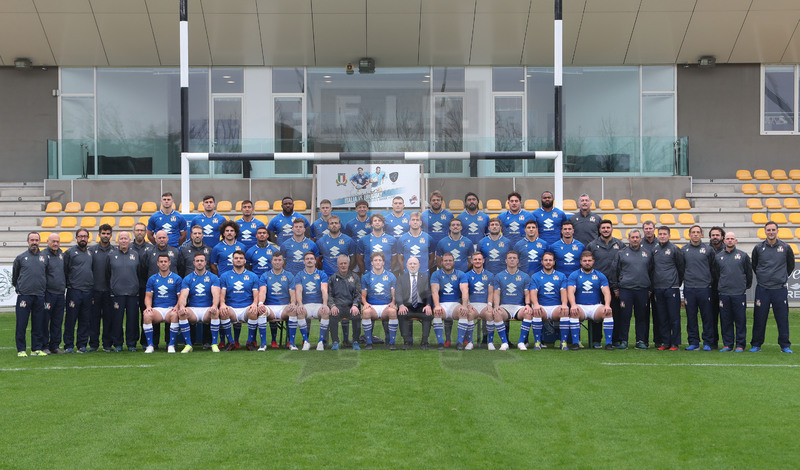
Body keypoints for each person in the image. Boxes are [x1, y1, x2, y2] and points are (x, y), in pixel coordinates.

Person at [750, 221, 795, 353]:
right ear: (765, 231)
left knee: (782, 318)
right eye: (768, 230)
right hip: (762, 289)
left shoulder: (785, 248)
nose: (771, 232)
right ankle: (756, 344)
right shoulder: (758, 248)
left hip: (779, 289)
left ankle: (785, 345)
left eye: (773, 230)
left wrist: (780, 277)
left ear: (777, 231)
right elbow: (755, 265)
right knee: (759, 318)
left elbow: (790, 266)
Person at [610, 229, 653, 350]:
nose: (635, 239)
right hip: (626, 290)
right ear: (628, 239)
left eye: (637, 237)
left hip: (642, 290)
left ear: (640, 238)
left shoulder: (647, 253)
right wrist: (616, 288)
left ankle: (641, 340)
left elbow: (652, 271)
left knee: (642, 317)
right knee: (625, 316)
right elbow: (615, 271)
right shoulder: (621, 253)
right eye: (632, 237)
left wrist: (650, 288)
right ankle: (623, 340)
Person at [712, 232, 752, 352]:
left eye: (732, 239)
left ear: (736, 241)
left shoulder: (743, 255)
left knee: (740, 320)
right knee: (726, 320)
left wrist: (744, 286)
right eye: (728, 239)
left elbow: (748, 274)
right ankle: (728, 344)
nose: (730, 241)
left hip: (738, 293)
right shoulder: (718, 257)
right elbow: (716, 274)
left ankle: (740, 344)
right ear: (724, 241)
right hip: (724, 293)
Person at [587, 219, 624, 348]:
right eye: (603, 228)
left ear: (612, 229)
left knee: (615, 313)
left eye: (608, 227)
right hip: (597, 285)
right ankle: (596, 340)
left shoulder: (620, 244)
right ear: (599, 230)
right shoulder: (592, 245)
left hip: (614, 286)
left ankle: (615, 340)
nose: (605, 230)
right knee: (597, 312)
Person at [568, 250, 614, 350]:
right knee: (574, 312)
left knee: (608, 312)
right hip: (580, 306)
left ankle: (608, 343)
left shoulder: (600, 275)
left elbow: (606, 292)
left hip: (595, 307)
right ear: (580, 262)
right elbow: (571, 291)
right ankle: (575, 343)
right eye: (585, 261)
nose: (587, 263)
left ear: (593, 261)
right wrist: (573, 305)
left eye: (589, 260)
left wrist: (607, 305)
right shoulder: (574, 275)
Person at [177, 252, 222, 352]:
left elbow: (216, 294)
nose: (199, 263)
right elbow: (183, 295)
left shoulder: (213, 277)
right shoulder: (188, 278)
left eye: (202, 261)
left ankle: (214, 344)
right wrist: (182, 306)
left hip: (207, 309)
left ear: (205, 262)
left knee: (216, 312)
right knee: (183, 313)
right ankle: (188, 345)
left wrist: (214, 306)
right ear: (193, 263)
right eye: (197, 261)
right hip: (193, 310)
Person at [488, 250, 532, 351]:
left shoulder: (524, 276)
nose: (512, 260)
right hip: (505, 306)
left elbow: (527, 293)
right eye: (510, 258)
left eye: (514, 258)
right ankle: (504, 343)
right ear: (506, 261)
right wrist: (497, 305)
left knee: (528, 313)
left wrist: (528, 305)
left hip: (519, 307)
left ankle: (521, 342)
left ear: (518, 261)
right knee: (497, 313)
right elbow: (497, 293)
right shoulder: (499, 276)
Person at [12, 232, 48, 357]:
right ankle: (21, 349)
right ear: (28, 241)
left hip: (39, 295)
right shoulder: (21, 257)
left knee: (38, 324)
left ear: (39, 241)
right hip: (24, 296)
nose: (34, 242)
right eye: (32, 240)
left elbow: (46, 274)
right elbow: (15, 276)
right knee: (22, 324)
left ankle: (36, 349)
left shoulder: (44, 257)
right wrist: (21, 288)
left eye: (36, 240)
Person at [218, 250, 262, 351]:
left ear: (245, 261)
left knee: (253, 311)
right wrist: (222, 304)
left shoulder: (252, 276)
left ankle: (250, 342)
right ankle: (231, 342)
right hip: (232, 308)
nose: (238, 260)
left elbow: (256, 294)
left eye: (241, 258)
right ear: (232, 260)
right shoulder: (225, 276)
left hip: (246, 307)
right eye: (236, 258)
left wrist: (255, 304)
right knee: (224, 312)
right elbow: (222, 294)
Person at [681, 225, 716, 351]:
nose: (695, 234)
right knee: (691, 317)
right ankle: (693, 342)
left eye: (698, 232)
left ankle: (707, 342)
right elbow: (681, 268)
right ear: (689, 234)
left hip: (705, 288)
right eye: (693, 232)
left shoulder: (708, 250)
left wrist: (709, 282)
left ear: (702, 235)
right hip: (689, 288)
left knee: (707, 316)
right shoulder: (684, 250)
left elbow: (713, 268)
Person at [106, 232, 141, 352]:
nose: (124, 241)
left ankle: (131, 343)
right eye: (121, 238)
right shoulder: (111, 255)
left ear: (129, 240)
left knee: (132, 319)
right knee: (117, 320)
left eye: (126, 238)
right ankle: (118, 344)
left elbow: (139, 272)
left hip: (133, 294)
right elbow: (108, 273)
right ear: (118, 241)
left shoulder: (135, 254)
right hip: (117, 294)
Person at [142, 253, 185, 353]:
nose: (163, 264)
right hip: (158, 309)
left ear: (169, 263)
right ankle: (150, 345)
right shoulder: (152, 279)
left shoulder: (177, 278)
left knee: (175, 314)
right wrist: (148, 307)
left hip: (171, 309)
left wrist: (177, 306)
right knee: (147, 315)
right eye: (161, 262)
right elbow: (148, 296)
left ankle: (171, 345)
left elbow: (181, 297)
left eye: (165, 261)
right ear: (157, 263)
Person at [651, 226, 685, 351]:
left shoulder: (675, 249)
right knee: (662, 316)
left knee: (674, 316)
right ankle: (665, 342)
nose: (662, 236)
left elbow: (681, 268)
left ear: (669, 235)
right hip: (658, 287)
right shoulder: (654, 250)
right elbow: (652, 268)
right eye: (660, 234)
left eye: (665, 234)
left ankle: (675, 343)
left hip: (672, 287)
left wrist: (677, 282)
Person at [529, 251, 569, 350]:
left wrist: (564, 304)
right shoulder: (536, 276)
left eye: (550, 260)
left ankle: (563, 342)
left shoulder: (561, 276)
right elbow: (533, 293)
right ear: (542, 262)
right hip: (542, 307)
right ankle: (537, 342)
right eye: (546, 260)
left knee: (564, 311)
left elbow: (564, 292)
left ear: (554, 262)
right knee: (537, 312)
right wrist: (536, 304)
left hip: (556, 307)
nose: (548, 262)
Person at [63, 228, 94, 353]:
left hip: (88, 291)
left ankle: (82, 345)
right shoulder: (69, 253)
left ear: (88, 238)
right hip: (74, 291)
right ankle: (68, 345)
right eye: (80, 236)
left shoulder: (90, 253)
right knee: (71, 319)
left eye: (85, 236)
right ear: (76, 238)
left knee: (85, 320)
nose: (83, 238)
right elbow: (65, 270)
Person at [293, 251, 331, 351]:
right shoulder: (299, 275)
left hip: (318, 304)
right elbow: (299, 290)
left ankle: (320, 342)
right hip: (306, 305)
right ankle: (306, 341)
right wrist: (300, 304)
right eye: (307, 259)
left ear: (315, 261)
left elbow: (324, 289)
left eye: (311, 259)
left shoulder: (321, 274)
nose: (309, 261)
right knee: (300, 312)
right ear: (303, 262)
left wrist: (325, 304)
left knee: (326, 312)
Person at [360, 252, 399, 350]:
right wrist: (365, 303)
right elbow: (363, 295)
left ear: (383, 262)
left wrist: (393, 302)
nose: (378, 262)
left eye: (380, 260)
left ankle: (391, 342)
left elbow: (394, 293)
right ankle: (369, 342)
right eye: (375, 260)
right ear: (372, 263)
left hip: (386, 306)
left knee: (393, 311)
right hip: (372, 306)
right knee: (366, 312)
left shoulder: (391, 276)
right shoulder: (365, 277)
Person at [430, 253, 469, 350]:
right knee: (437, 312)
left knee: (463, 312)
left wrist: (464, 305)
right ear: (441, 262)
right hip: (442, 304)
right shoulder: (436, 274)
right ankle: (440, 343)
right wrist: (437, 305)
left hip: (455, 304)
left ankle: (459, 342)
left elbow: (465, 290)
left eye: (450, 260)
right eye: (445, 260)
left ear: (453, 262)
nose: (448, 262)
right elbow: (434, 291)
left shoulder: (460, 274)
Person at [259, 251, 295, 349]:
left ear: (283, 262)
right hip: (270, 307)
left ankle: (291, 343)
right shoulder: (265, 276)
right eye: (275, 260)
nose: (277, 262)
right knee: (262, 311)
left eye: (279, 260)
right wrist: (261, 303)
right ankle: (264, 344)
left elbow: (292, 292)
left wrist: (292, 303)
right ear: (271, 261)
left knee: (293, 310)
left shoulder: (289, 275)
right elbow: (262, 291)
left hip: (284, 307)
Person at [395, 256, 433, 350]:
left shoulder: (425, 278)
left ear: (419, 265)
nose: (412, 266)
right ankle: (407, 342)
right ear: (406, 265)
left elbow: (429, 293)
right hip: (407, 305)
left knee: (428, 315)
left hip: (421, 306)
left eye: (415, 264)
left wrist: (428, 305)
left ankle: (424, 342)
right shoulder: (401, 278)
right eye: (410, 264)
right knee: (402, 314)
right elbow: (398, 293)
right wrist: (401, 305)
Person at [326, 254, 362, 350]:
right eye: (341, 263)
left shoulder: (355, 277)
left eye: (345, 263)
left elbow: (358, 294)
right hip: (338, 307)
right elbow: (329, 295)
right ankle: (335, 342)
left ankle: (355, 341)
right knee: (333, 316)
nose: (343, 265)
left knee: (356, 316)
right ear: (337, 265)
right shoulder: (332, 278)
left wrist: (355, 305)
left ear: (349, 264)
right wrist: (332, 306)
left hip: (351, 306)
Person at [90, 224, 114, 352]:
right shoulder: (91, 251)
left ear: (111, 235)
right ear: (99, 234)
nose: (105, 236)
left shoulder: (115, 251)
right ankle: (93, 344)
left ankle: (107, 344)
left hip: (109, 291)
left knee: (108, 318)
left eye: (108, 233)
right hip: (95, 291)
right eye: (103, 233)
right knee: (93, 319)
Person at [464, 252, 493, 350]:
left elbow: (491, 292)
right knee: (469, 314)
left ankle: (490, 342)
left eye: (479, 259)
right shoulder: (466, 275)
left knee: (489, 314)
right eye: (475, 259)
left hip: (484, 304)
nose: (477, 261)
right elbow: (465, 292)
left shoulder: (489, 275)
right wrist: (468, 303)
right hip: (472, 304)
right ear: (471, 261)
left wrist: (489, 304)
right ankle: (470, 342)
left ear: (483, 261)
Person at [640, 219, 663, 348]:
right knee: (643, 314)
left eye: (650, 228)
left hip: (658, 283)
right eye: (646, 228)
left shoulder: (660, 243)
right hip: (643, 284)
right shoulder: (639, 243)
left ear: (655, 229)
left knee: (658, 313)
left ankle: (658, 340)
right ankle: (643, 340)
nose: (648, 231)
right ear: (643, 230)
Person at [43, 233, 66, 354]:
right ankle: (45, 345)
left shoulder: (62, 255)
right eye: (53, 241)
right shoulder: (43, 255)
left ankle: (55, 345)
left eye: (57, 241)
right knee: (45, 320)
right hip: (48, 293)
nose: (55, 243)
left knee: (57, 321)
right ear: (48, 242)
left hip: (60, 294)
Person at [707, 225, 725, 349]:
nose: (715, 237)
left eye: (717, 235)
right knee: (711, 317)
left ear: (722, 237)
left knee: (726, 318)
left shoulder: (728, 249)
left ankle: (728, 343)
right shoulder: (706, 250)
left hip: (724, 288)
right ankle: (712, 342)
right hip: (709, 288)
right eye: (713, 235)